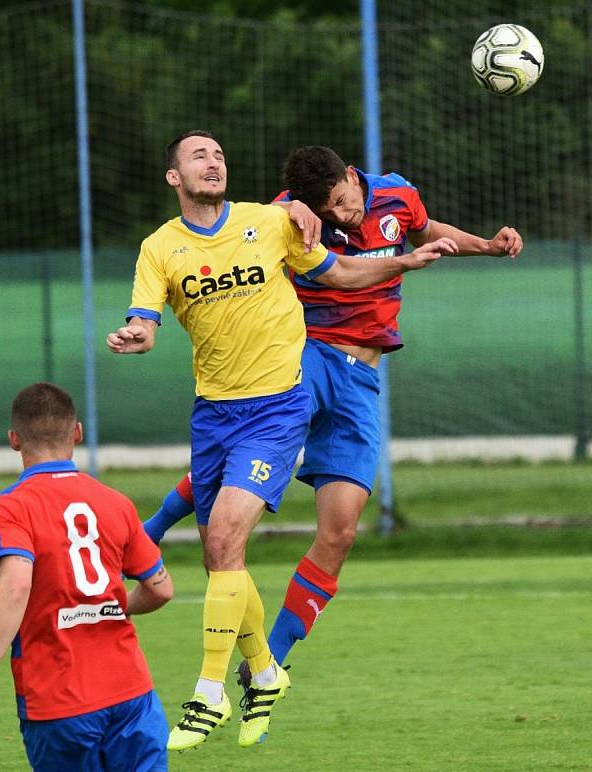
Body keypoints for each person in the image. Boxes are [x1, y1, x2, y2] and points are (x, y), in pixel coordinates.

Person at [107, 130, 457, 751]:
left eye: (219, 152)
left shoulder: (268, 222)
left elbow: (347, 265)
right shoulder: (161, 247)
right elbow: (145, 315)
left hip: (294, 390)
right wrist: (137, 332)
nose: (213, 160)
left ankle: (211, 689)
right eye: (198, 155)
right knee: (223, 555)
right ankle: (264, 673)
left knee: (298, 534)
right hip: (223, 405)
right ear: (173, 177)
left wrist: (422, 257)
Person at [142, 144, 523, 682]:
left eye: (344, 202)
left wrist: (484, 245)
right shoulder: (294, 211)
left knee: (340, 532)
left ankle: (269, 659)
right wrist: (291, 209)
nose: (341, 216)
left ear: (352, 176)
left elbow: (423, 229)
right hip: (307, 354)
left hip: (362, 379)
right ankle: (148, 531)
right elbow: (246, 225)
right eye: (328, 211)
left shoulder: (397, 194)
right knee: (255, 448)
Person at [0, 382, 174, 772]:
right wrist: (109, 607)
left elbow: (17, 581)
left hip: (57, 695)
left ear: (14, 440)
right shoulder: (115, 502)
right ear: (76, 432)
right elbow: (161, 590)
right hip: (129, 686)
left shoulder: (8, 506)